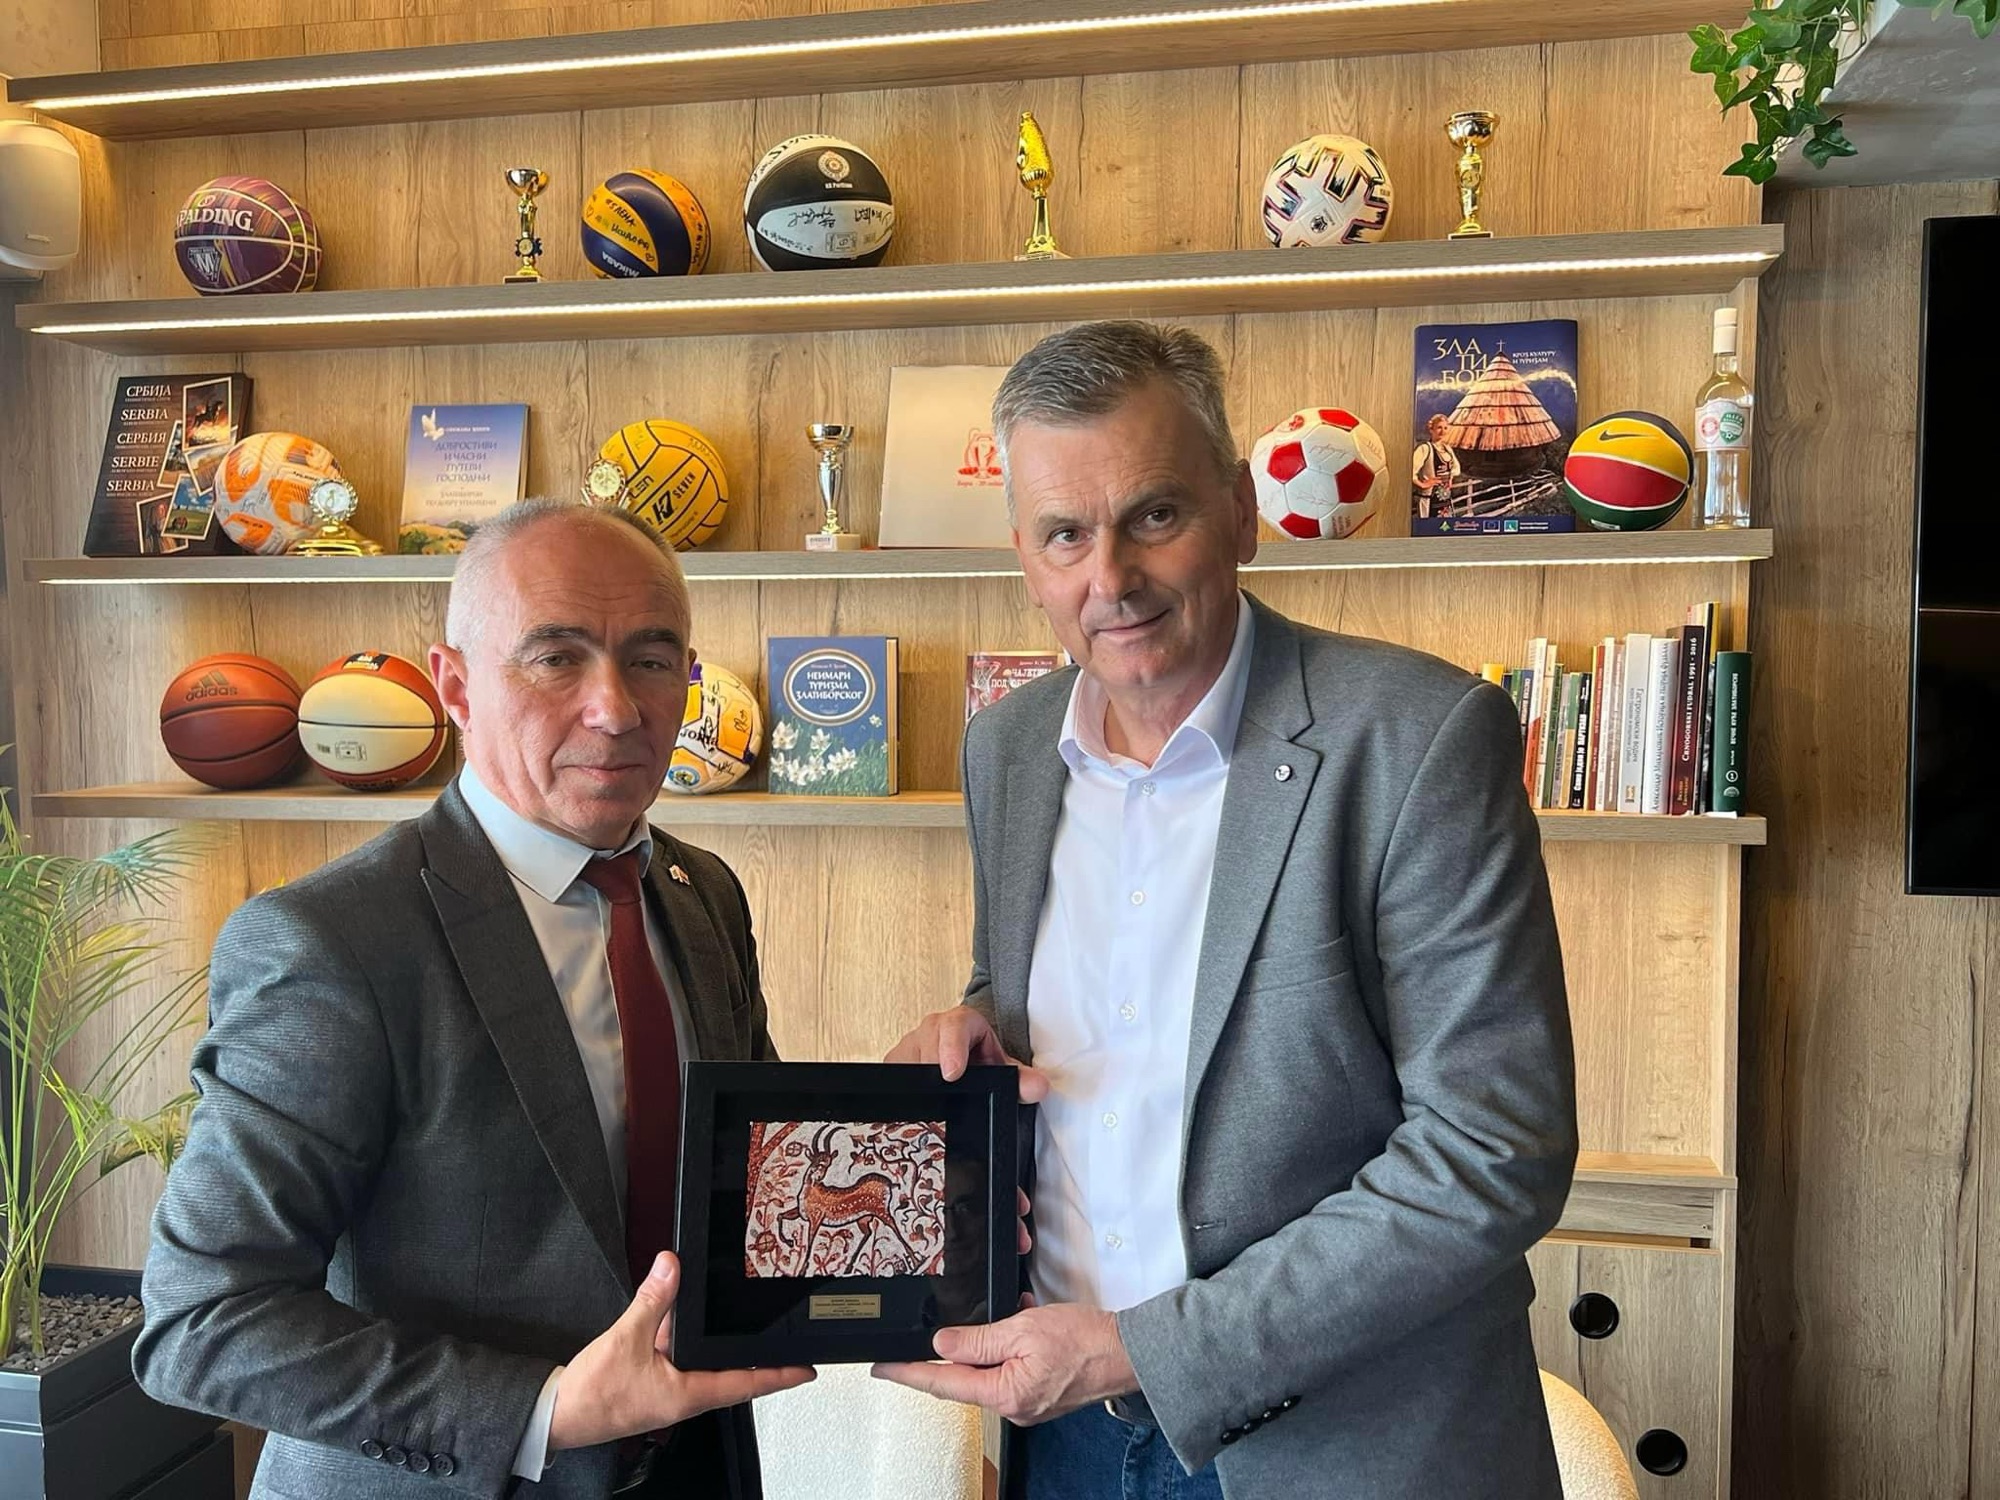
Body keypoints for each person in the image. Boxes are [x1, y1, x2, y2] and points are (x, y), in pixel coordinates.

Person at [877, 321, 1578, 1499]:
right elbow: (1050, 1000)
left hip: (1343, 1447)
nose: (1109, 580)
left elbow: (1490, 1152)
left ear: (1241, 512)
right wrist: (976, 1031)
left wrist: (1148, 1351)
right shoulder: (1007, 749)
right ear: (1024, 556)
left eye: (1153, 515)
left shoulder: (1416, 737)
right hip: (1065, 1437)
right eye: (1063, 534)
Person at [134, 498, 813, 1499]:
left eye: (651, 659)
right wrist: (544, 1410)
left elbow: (744, 1174)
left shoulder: (701, 891)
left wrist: (920, 1165)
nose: (616, 708)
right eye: (557, 658)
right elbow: (203, 1320)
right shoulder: (333, 941)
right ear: (454, 685)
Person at [1413, 411, 1461, 519]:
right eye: (1439, 427)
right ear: (1431, 429)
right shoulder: (1425, 449)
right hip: (1429, 499)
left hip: (1445, 500)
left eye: (1445, 428)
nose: (1442, 431)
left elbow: (1457, 468)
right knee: (1428, 527)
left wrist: (1450, 476)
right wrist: (1423, 484)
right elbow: (1410, 471)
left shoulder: (1447, 449)